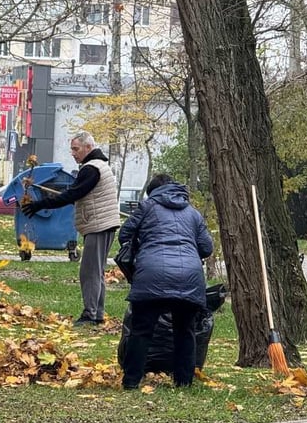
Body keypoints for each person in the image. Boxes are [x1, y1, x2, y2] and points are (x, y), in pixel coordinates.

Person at [118, 174, 213, 389]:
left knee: (142, 330)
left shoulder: (146, 207)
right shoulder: (193, 213)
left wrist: (142, 244)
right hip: (189, 278)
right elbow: (207, 248)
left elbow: (124, 235)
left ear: (152, 192)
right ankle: (183, 382)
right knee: (185, 331)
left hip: (152, 276)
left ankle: (131, 381)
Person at [20, 132, 121, 325]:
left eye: (76, 149)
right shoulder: (99, 165)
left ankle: (90, 314)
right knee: (96, 270)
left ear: (88, 147)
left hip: (99, 225)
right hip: (104, 224)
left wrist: (40, 205)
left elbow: (72, 194)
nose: (73, 153)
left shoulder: (91, 169)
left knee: (89, 271)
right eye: (72, 149)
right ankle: (97, 314)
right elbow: (75, 193)